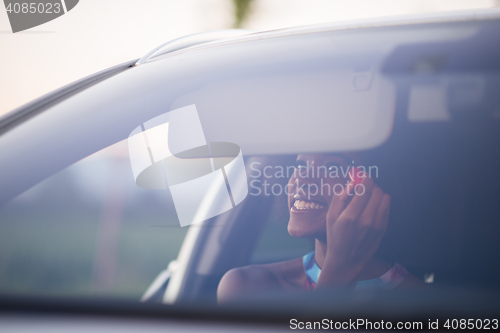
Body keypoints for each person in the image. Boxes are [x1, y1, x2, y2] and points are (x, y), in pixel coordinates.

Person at [217, 153, 424, 303]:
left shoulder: (427, 306)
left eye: (333, 167)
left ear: (379, 193)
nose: (301, 178)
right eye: (300, 164)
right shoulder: (248, 287)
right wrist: (340, 268)